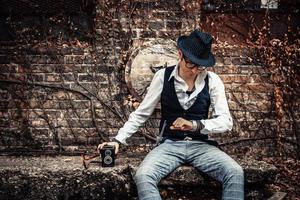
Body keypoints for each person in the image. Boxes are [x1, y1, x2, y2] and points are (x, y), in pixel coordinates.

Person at [98, 29, 244, 200]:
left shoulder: (212, 80)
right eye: (191, 64)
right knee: (143, 176)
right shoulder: (162, 77)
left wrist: (194, 125)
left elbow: (226, 122)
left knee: (235, 172)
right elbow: (141, 113)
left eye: (201, 65)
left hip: (201, 146)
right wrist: (117, 141)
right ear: (180, 55)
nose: (196, 70)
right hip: (169, 145)